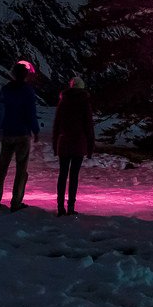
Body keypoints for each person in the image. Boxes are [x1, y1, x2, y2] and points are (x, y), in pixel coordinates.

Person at [0, 60, 40, 212]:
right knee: (21, 170)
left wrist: (0, 129)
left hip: (7, 134)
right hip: (22, 134)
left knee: (2, 169)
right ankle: (16, 202)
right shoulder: (27, 91)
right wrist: (35, 130)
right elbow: (31, 113)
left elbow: (0, 111)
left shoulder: (6, 89)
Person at [52, 76, 95, 216]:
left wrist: (55, 144)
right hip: (79, 142)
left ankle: (60, 207)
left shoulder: (63, 101)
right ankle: (71, 207)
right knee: (74, 175)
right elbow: (88, 126)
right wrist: (90, 146)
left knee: (62, 174)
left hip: (64, 142)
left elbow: (57, 124)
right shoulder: (85, 103)